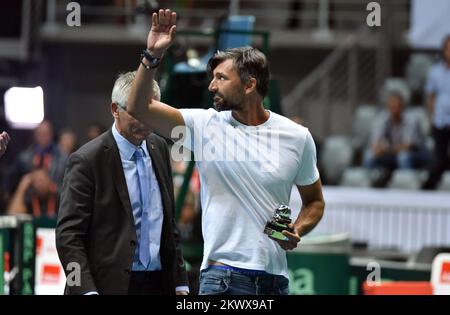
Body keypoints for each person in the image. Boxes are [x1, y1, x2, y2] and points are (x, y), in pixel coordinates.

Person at [126, 9, 325, 295]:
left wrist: (298, 229)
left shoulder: (297, 137)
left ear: (249, 85)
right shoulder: (204, 124)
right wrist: (152, 55)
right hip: (223, 279)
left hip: (276, 281)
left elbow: (315, 202)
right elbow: (139, 107)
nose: (211, 85)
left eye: (221, 78)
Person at [55, 72, 189, 295]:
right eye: (137, 113)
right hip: (103, 287)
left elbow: (167, 224)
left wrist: (180, 281)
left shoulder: (160, 148)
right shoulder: (87, 160)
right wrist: (83, 289)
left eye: (151, 112)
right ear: (115, 110)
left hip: (158, 284)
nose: (146, 121)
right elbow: (67, 237)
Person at [363, 91, 430, 172]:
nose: (394, 110)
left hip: (415, 153)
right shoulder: (382, 118)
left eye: (397, 107)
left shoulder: (411, 120)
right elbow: (375, 143)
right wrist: (377, 148)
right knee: (369, 155)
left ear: (403, 107)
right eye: (391, 107)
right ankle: (374, 182)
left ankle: (407, 182)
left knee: (403, 157)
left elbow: (407, 146)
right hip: (391, 153)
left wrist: (385, 150)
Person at [423, 35, 450, 190]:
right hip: (440, 121)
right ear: (444, 51)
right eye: (448, 49)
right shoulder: (435, 71)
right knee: (438, 158)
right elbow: (431, 96)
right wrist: (432, 116)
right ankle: (428, 190)